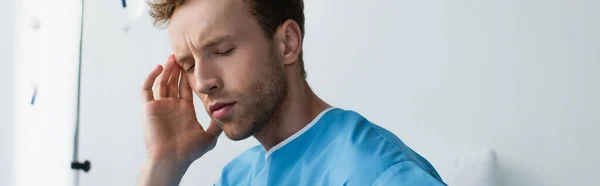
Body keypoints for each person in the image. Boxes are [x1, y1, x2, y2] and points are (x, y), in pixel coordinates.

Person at [137, 0, 447, 185]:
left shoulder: (377, 174)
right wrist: (163, 164)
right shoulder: (237, 177)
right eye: (189, 65)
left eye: (222, 51)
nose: (203, 82)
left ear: (287, 43)